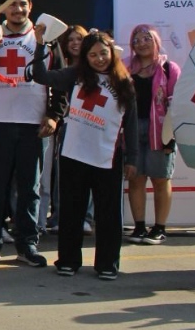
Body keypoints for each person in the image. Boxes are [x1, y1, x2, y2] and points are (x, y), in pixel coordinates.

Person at [0, 0, 67, 268]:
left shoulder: (45, 38)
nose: (17, 10)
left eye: (22, 4)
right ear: (4, 8)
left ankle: (27, 244)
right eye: (12, 5)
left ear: (30, 6)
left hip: (32, 125)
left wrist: (53, 116)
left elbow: (58, 82)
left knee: (29, 189)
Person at [31, 29, 137, 279]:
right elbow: (41, 75)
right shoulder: (74, 75)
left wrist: (132, 159)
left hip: (108, 155)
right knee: (71, 210)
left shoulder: (124, 83)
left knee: (109, 213)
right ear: (85, 58)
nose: (99, 59)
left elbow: (130, 125)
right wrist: (39, 45)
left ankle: (107, 264)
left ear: (112, 53)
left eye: (103, 53)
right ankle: (68, 260)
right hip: (74, 154)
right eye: (93, 55)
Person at [125, 24, 180, 246]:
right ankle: (139, 227)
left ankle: (159, 228)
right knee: (136, 178)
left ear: (156, 41)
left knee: (160, 179)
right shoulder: (126, 68)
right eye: (136, 40)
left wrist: (171, 137)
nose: (141, 43)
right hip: (132, 128)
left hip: (161, 130)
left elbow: (176, 105)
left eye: (146, 38)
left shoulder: (169, 68)